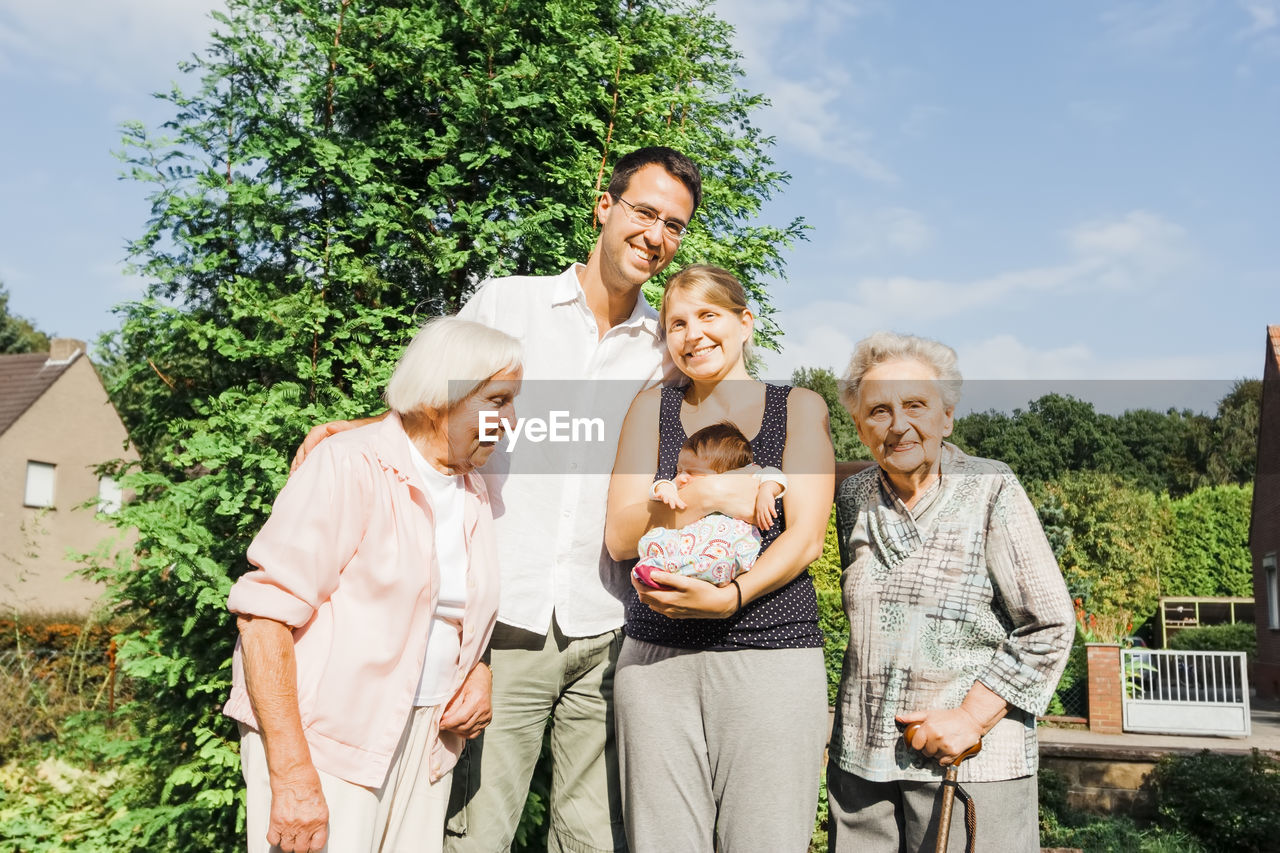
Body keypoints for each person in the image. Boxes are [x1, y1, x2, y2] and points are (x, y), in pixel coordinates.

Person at [293, 146, 701, 852]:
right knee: (480, 829)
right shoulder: (509, 302)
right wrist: (366, 428)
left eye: (674, 225)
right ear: (605, 207)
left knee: (592, 836)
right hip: (505, 619)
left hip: (606, 623)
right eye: (644, 212)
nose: (656, 236)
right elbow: (438, 404)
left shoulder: (663, 349)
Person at [223, 317, 522, 853]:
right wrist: (292, 773)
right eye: (498, 400)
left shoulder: (475, 486)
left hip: (426, 741)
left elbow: (446, 606)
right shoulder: (349, 464)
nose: (511, 421)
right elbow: (263, 618)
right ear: (439, 396)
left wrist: (476, 666)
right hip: (325, 744)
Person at [604, 263, 835, 852]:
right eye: (676, 322)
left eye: (708, 316)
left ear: (744, 322)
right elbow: (620, 534)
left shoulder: (798, 407)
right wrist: (705, 493)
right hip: (654, 662)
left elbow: (805, 537)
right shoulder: (650, 410)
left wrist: (730, 596)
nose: (692, 334)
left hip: (770, 658)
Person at [827, 331, 1074, 853]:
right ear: (860, 426)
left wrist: (970, 716)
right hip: (861, 773)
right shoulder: (853, 496)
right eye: (878, 411)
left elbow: (1050, 624)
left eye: (916, 404)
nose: (898, 425)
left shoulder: (991, 487)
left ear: (946, 417)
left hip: (968, 764)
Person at [633, 421, 786, 589]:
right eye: (679, 470)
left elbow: (774, 474)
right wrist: (664, 488)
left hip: (727, 548)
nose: (682, 477)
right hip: (689, 546)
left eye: (692, 472)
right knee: (653, 537)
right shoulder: (682, 485)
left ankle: (672, 573)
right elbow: (657, 492)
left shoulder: (746, 478)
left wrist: (767, 490)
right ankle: (658, 567)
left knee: (717, 560)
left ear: (729, 473)